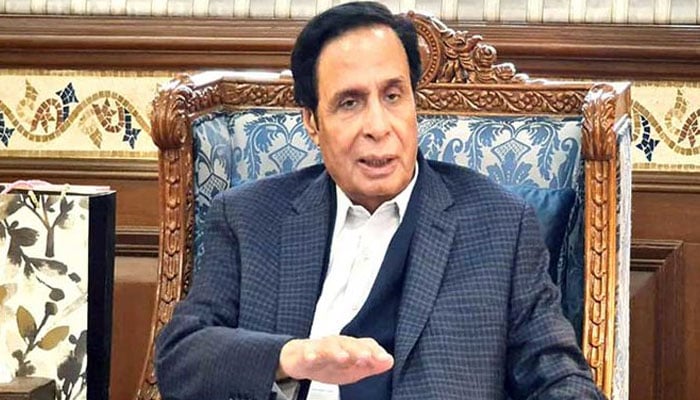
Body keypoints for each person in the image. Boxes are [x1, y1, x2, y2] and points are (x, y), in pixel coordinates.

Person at [155, 2, 604, 399]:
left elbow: (559, 379)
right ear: (312, 122)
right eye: (350, 103)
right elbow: (180, 358)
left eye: (393, 96)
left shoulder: (500, 225)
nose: (379, 126)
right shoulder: (249, 217)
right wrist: (293, 356)